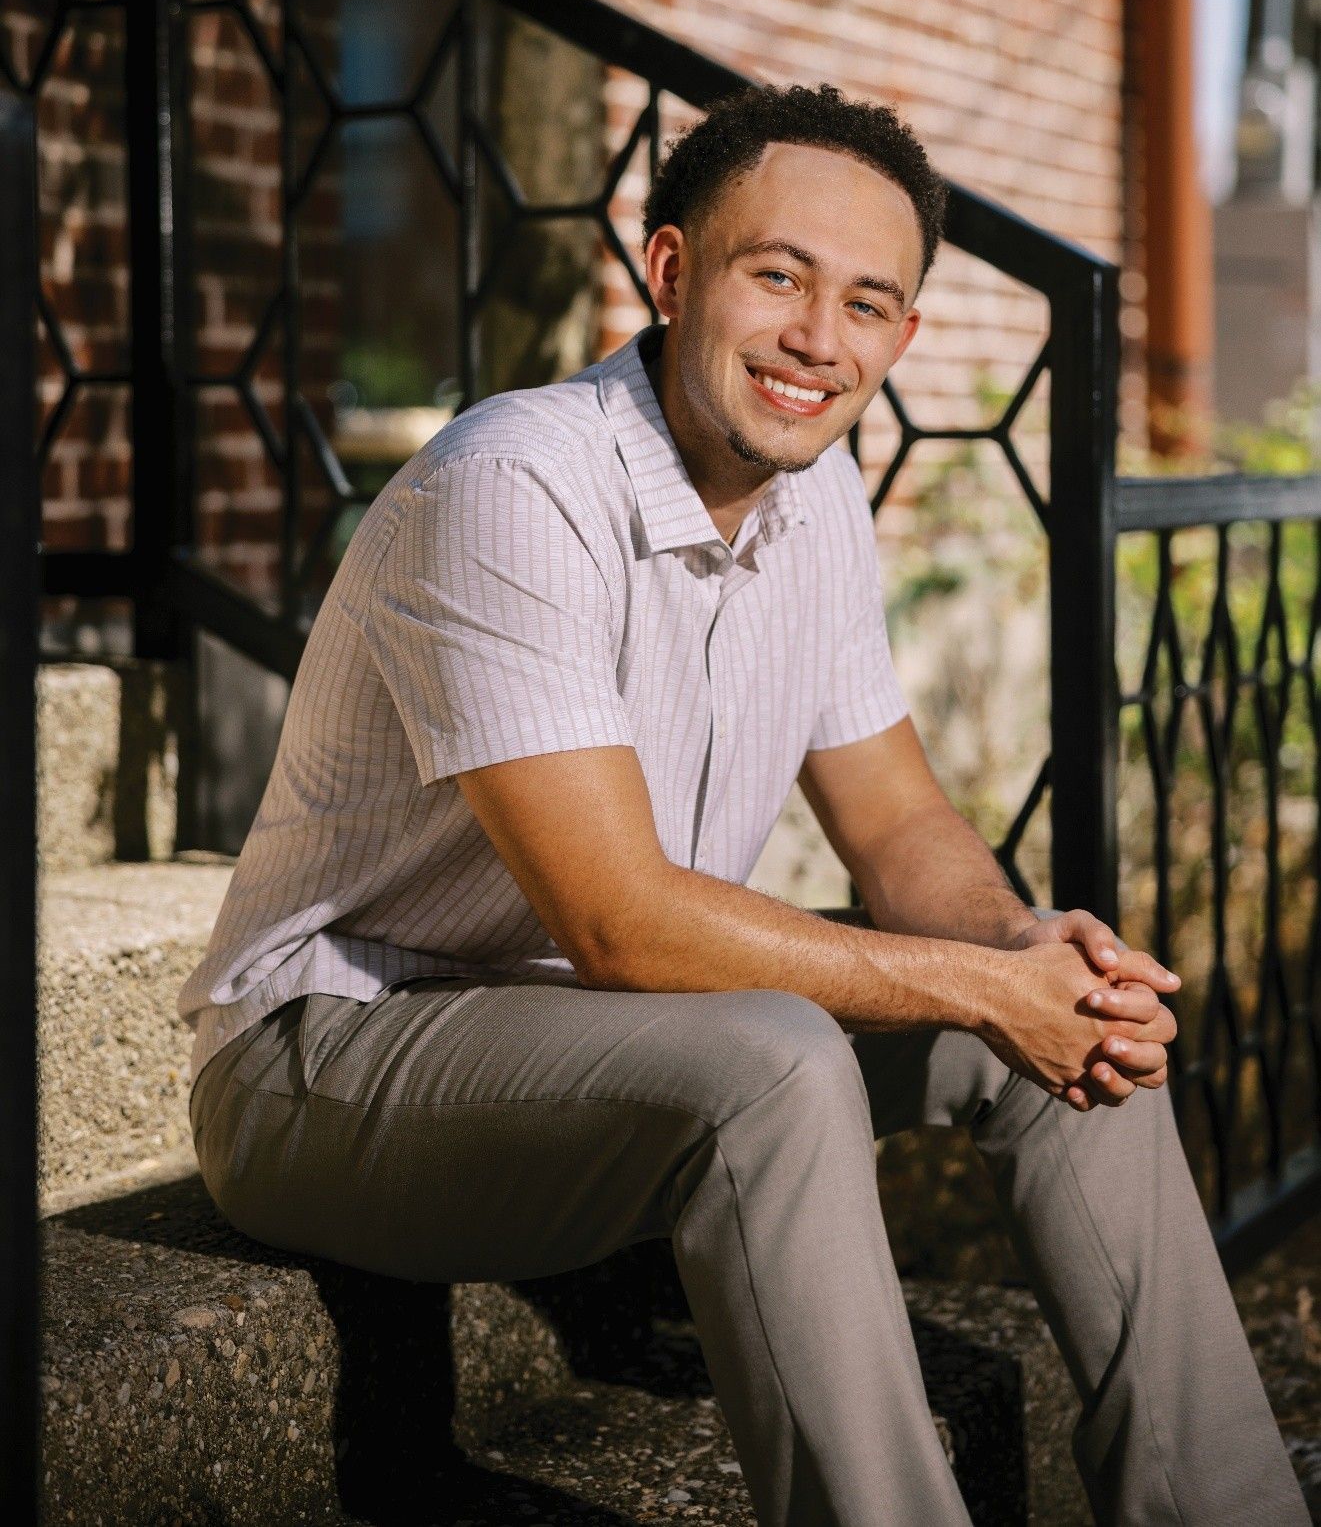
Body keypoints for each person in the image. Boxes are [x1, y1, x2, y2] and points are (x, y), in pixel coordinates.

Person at [180, 83, 1306, 1527]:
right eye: (776, 275)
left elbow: (897, 826)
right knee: (776, 1056)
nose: (814, 341)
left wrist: (1019, 948)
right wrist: (968, 985)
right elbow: (618, 921)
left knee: (1064, 1008)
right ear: (668, 271)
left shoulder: (812, 494)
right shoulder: (515, 485)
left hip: (606, 1048)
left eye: (864, 302)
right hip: (326, 1062)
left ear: (902, 336)